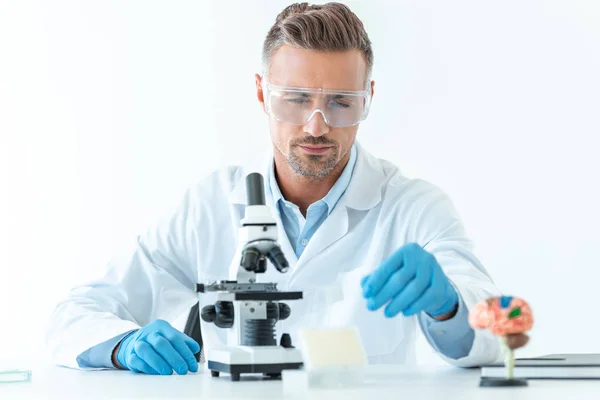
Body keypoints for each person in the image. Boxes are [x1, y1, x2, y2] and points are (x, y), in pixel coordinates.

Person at [46, 2, 504, 375]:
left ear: (369, 98)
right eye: (296, 99)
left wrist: (450, 309)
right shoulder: (208, 205)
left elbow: (495, 332)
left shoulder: (415, 208)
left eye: (342, 103)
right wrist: (122, 345)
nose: (317, 125)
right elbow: (75, 313)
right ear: (263, 94)